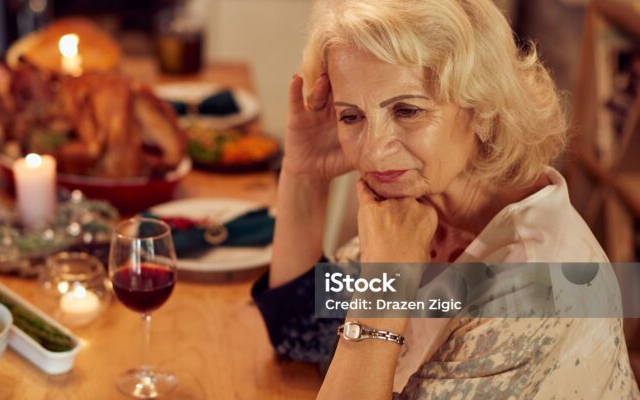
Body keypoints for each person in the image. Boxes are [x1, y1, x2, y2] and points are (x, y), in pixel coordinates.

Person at [252, 0, 640, 398]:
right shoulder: (420, 209)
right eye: (352, 116)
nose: (372, 150)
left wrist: (387, 282)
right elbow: (303, 330)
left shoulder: (542, 284)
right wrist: (304, 174)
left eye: (407, 110)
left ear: (483, 107)